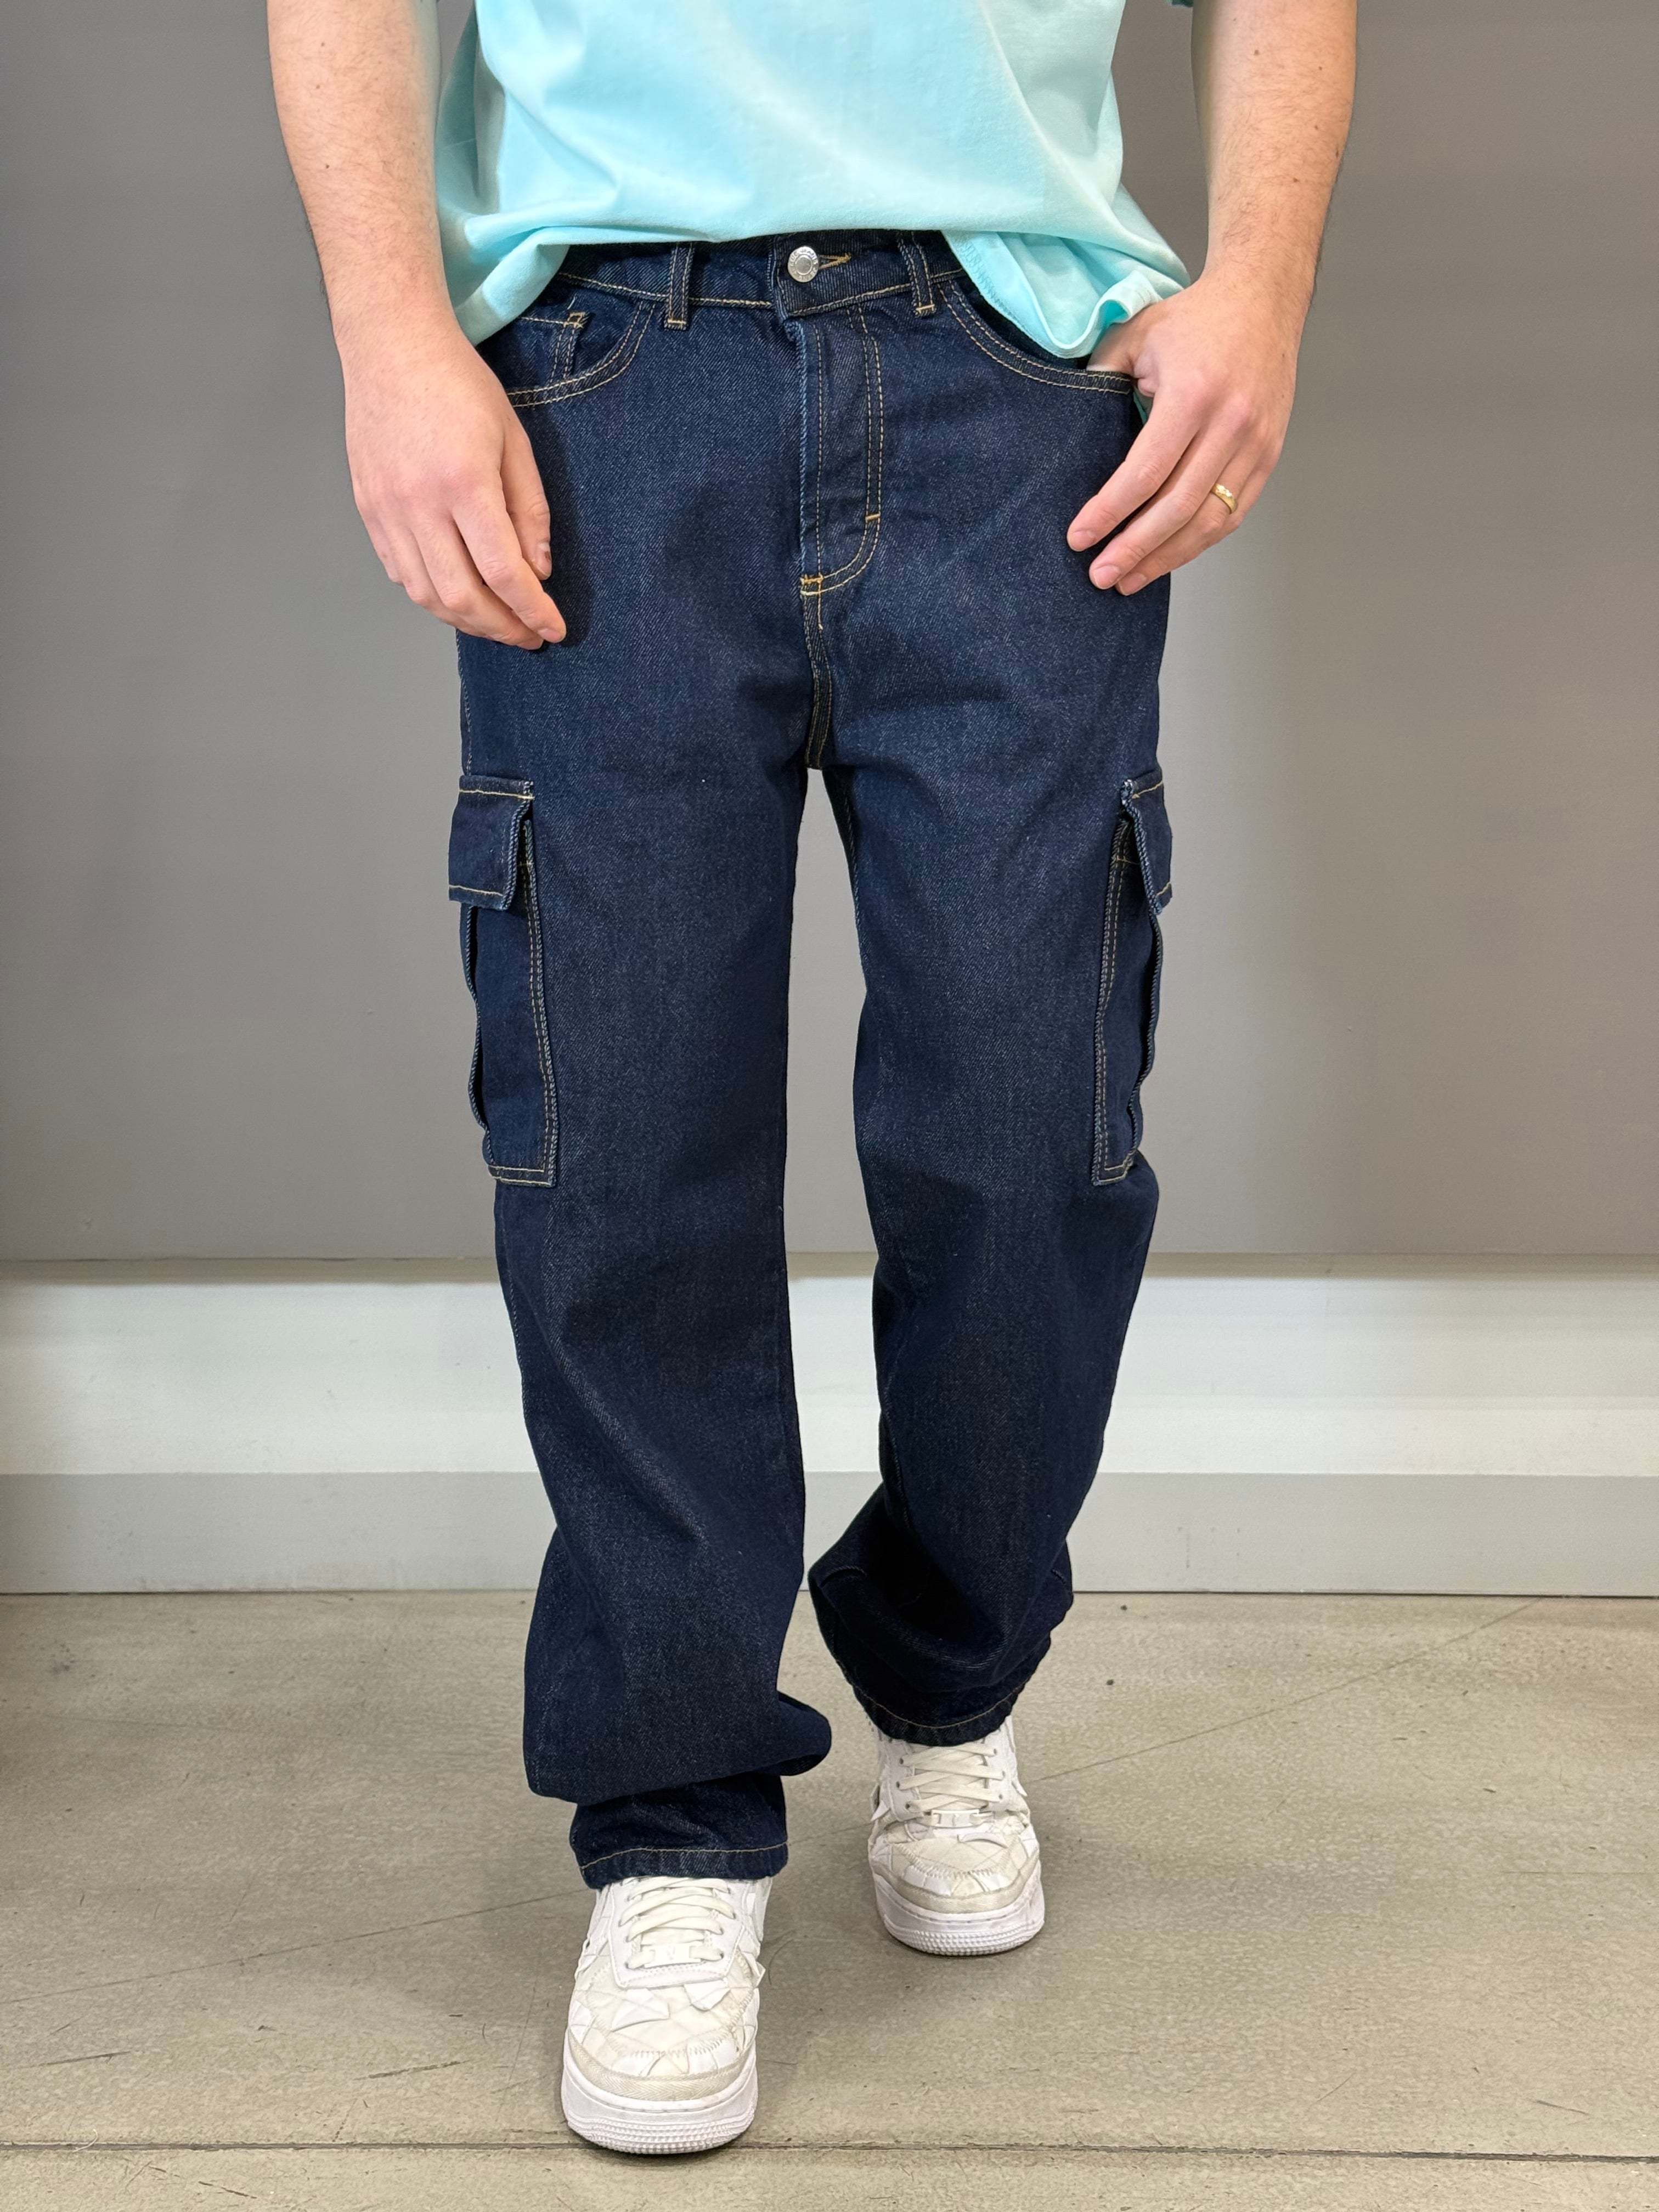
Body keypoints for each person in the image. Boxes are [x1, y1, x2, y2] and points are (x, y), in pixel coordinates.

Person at [269, 0, 1355, 2157]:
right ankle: (674, 1816)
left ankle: (949, 1675)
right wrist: (389, 336)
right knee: (622, 1136)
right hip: (607, 365)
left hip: (1014, 370)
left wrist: (1264, 282)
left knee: (1033, 1131)